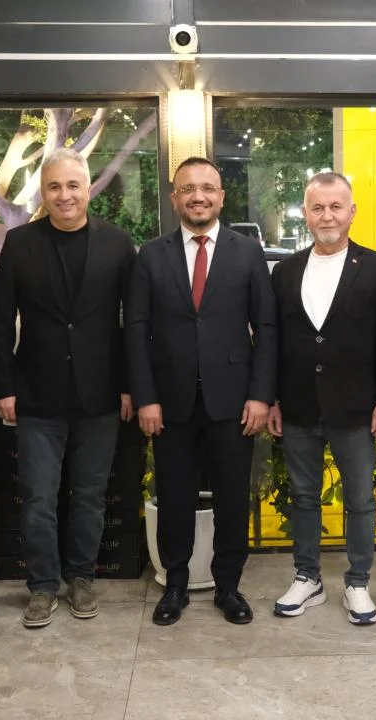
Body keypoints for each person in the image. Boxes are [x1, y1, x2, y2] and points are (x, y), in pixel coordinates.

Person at [0, 148, 137, 628]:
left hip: (100, 394)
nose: (64, 195)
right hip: (36, 394)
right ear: (43, 192)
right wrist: (4, 387)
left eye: (73, 185)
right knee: (38, 497)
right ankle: (42, 585)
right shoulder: (19, 243)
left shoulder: (118, 243)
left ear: (88, 188)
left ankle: (81, 578)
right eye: (54, 186)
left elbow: (133, 323)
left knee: (91, 495)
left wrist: (130, 386)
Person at [126, 157, 276, 626]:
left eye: (207, 188)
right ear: (174, 198)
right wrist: (146, 397)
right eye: (188, 189)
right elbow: (136, 331)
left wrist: (260, 395)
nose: (198, 196)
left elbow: (266, 328)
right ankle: (175, 584)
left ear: (221, 196)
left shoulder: (247, 252)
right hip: (169, 404)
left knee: (232, 497)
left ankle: (228, 586)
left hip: (234, 401)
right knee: (174, 497)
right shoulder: (151, 255)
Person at [269, 172, 376, 626]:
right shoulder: (285, 271)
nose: (327, 216)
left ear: (352, 212)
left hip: (357, 409)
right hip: (298, 406)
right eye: (317, 207)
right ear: (305, 214)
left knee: (361, 500)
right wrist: (272, 399)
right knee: (303, 496)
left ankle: (358, 582)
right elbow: (274, 341)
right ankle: (307, 577)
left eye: (335, 207)